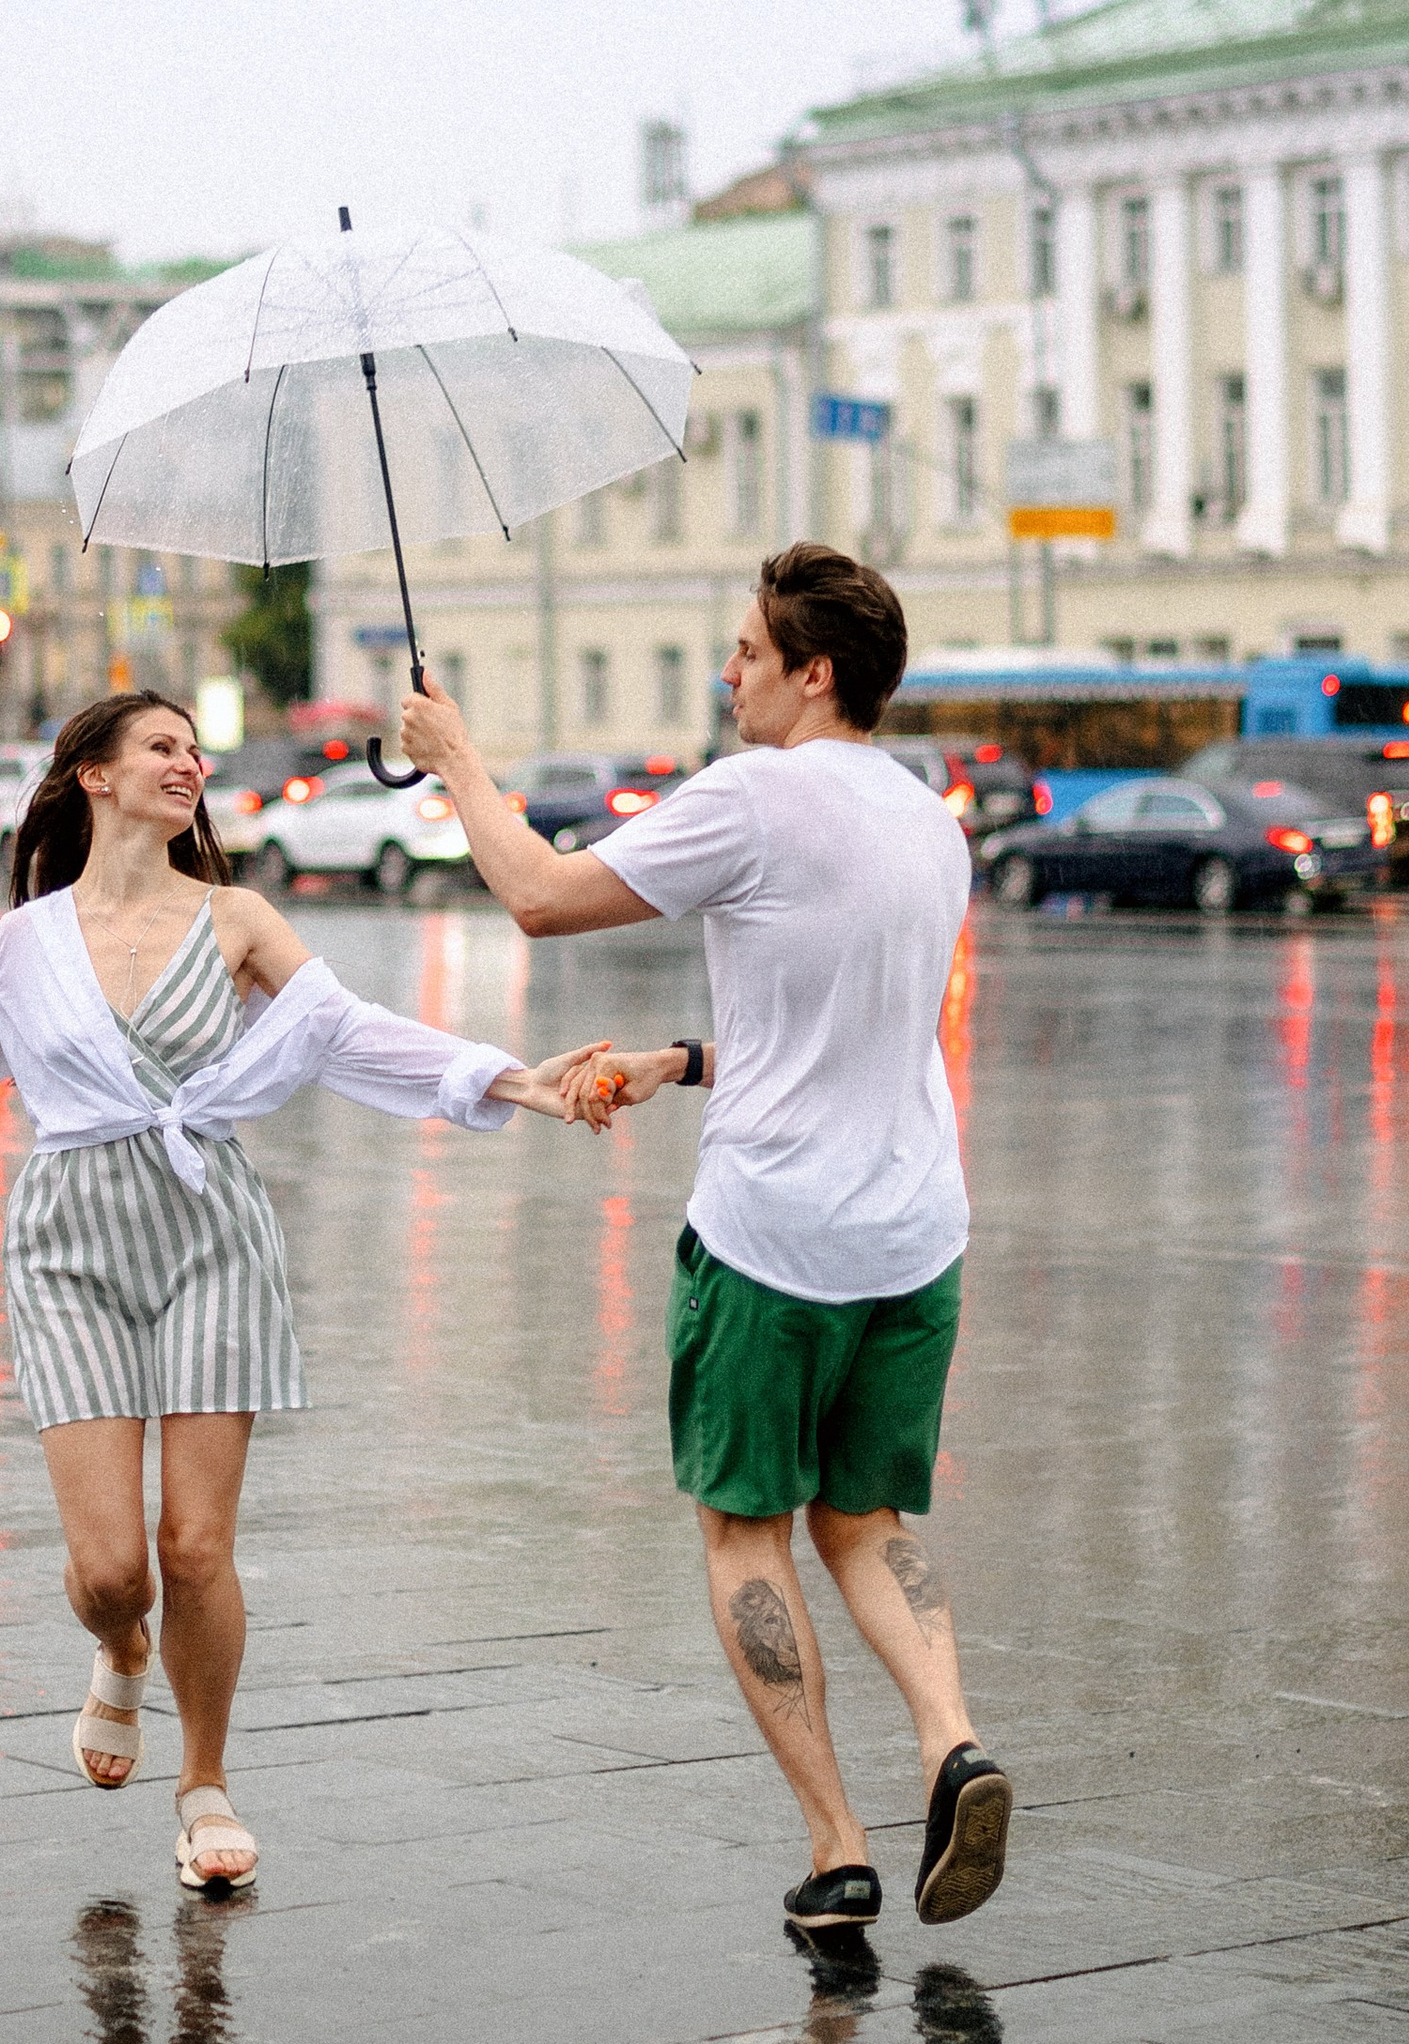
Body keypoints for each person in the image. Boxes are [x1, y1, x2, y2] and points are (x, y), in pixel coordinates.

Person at [0, 688, 579, 1893]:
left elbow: (348, 1032)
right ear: (92, 775)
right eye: (161, 745)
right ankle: (120, 1648)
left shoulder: (238, 916)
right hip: (69, 1245)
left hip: (211, 1230)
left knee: (196, 1544)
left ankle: (205, 1781)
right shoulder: (24, 942)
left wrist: (512, 1081)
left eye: (194, 748)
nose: (188, 762)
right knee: (114, 1571)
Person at [400, 541, 1010, 1941]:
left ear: (814, 672)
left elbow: (541, 898)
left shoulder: (756, 798)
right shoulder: (933, 825)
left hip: (774, 1241)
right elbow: (839, 1037)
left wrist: (456, 757)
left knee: (748, 1531)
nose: (728, 672)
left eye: (746, 650)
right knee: (865, 1521)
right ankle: (953, 1746)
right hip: (914, 1237)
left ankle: (839, 1845)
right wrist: (684, 1057)